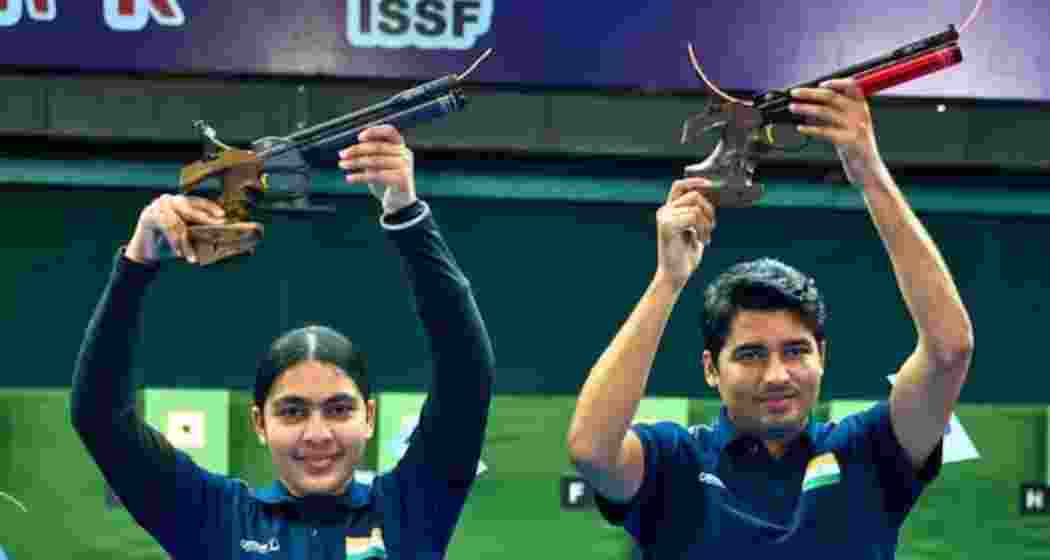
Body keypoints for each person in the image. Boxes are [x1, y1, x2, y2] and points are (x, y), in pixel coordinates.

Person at [567, 79, 973, 557]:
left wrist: (869, 171)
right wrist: (667, 281)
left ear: (822, 356)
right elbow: (592, 449)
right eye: (751, 355)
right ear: (711, 369)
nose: (777, 375)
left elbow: (950, 349)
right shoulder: (674, 462)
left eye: (796, 350)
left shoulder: (868, 453)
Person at [70, 125, 495, 560]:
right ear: (260, 422)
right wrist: (137, 262)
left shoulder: (412, 508)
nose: (317, 434)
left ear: (369, 416)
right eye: (292, 411)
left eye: (338, 408)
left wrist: (407, 216)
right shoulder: (215, 520)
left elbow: (467, 374)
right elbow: (100, 417)